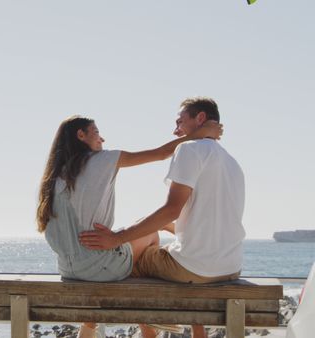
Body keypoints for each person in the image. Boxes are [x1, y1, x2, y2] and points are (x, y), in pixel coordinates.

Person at [37, 114, 222, 338]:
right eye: (96, 133)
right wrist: (201, 134)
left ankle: (91, 328)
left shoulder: (56, 176)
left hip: (68, 270)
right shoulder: (102, 159)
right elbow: (161, 153)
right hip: (99, 267)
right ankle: (148, 327)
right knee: (150, 235)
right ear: (81, 135)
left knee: (133, 235)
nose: (102, 139)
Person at [79, 97, 245, 338]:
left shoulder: (189, 149)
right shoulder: (232, 163)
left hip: (196, 269)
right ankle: (195, 330)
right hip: (230, 267)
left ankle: (111, 327)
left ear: (200, 119)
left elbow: (171, 209)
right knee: (151, 236)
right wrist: (168, 226)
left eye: (180, 121)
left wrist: (116, 238)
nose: (176, 130)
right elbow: (208, 223)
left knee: (130, 260)